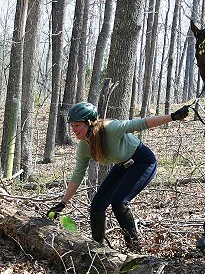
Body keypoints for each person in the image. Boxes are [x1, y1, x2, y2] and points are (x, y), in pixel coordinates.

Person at [47, 102, 189, 250]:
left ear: (90, 123)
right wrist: (62, 204)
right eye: (72, 126)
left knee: (119, 202)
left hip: (143, 162)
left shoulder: (111, 129)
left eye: (77, 125)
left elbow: (142, 123)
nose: (74, 130)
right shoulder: (84, 146)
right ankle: (98, 248)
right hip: (122, 166)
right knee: (96, 206)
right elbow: (77, 175)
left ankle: (134, 247)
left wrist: (173, 117)